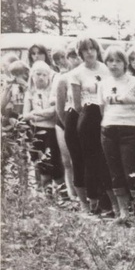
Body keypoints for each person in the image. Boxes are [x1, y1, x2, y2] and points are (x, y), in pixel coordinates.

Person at [98, 46, 135, 222]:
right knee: (115, 172)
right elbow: (102, 107)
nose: (114, 64)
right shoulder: (103, 83)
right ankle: (123, 213)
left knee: (130, 172)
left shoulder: (134, 82)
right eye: (110, 61)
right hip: (109, 130)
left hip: (130, 131)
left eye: (118, 61)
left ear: (125, 63)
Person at [69, 37, 113, 214]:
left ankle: (110, 203)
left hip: (108, 115)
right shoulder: (77, 73)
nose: (89, 52)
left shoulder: (106, 68)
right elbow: (77, 104)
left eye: (92, 48)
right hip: (88, 116)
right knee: (90, 160)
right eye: (85, 49)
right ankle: (93, 200)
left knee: (106, 159)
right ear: (80, 53)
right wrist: (90, 118)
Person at [22, 61, 62, 194]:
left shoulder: (51, 92)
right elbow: (25, 115)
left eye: (44, 75)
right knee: (38, 160)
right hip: (36, 131)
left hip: (51, 131)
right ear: (32, 75)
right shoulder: (30, 92)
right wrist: (38, 115)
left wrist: (36, 113)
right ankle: (43, 190)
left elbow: (52, 112)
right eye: (38, 74)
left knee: (53, 159)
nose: (41, 77)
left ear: (49, 76)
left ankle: (59, 191)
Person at [54, 44, 84, 207]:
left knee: (84, 159)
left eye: (77, 55)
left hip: (84, 122)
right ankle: (73, 196)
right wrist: (69, 127)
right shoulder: (63, 79)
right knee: (69, 160)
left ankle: (87, 194)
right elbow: (59, 108)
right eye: (71, 56)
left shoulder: (88, 76)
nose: (75, 59)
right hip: (66, 121)